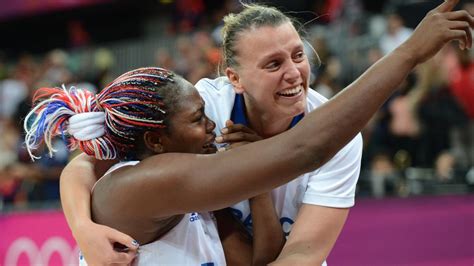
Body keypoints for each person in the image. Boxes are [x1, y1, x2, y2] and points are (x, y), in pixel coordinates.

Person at [58, 0, 473, 264]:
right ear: (234, 78)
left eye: (298, 55)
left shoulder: (194, 182)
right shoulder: (201, 112)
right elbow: (305, 149)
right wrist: (83, 229)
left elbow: (297, 254)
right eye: (273, 64)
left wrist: (253, 184)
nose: (295, 73)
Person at [26, 67, 285, 265]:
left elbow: (261, 261)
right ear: (155, 141)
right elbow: (81, 166)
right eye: (197, 118)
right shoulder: (136, 183)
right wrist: (257, 166)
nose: (211, 125)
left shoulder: (198, 195)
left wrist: (258, 187)